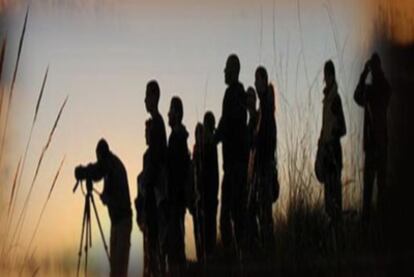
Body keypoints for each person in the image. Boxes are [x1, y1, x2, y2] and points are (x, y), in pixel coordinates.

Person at [75, 139, 132, 277]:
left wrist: (108, 199)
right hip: (117, 222)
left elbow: (97, 172)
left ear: (102, 155)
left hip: (122, 221)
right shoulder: (111, 164)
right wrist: (106, 196)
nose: (98, 161)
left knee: (119, 269)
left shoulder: (112, 165)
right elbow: (99, 172)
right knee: (115, 268)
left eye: (99, 158)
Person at [215, 54, 249, 255]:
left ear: (234, 70)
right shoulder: (238, 95)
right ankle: (238, 255)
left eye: (226, 68)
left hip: (235, 166)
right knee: (233, 215)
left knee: (230, 216)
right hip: (234, 165)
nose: (224, 71)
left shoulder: (233, 94)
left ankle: (235, 257)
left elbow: (226, 123)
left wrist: (213, 138)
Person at [354, 53, 391, 222]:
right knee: (373, 190)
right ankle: (372, 227)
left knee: (375, 190)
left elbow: (358, 96)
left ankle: (373, 227)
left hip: (377, 146)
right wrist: (366, 73)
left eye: (375, 66)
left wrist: (365, 73)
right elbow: (356, 97)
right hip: (378, 146)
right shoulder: (377, 89)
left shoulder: (380, 89)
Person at [143, 80, 168, 276]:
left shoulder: (158, 124)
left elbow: (159, 159)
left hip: (156, 195)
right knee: (153, 242)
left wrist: (147, 183)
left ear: (155, 97)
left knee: (155, 244)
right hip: (153, 194)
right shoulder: (157, 123)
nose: (145, 100)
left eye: (147, 95)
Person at [318, 60, 346, 225]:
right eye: (326, 74)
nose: (326, 77)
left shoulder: (335, 99)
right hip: (327, 155)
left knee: (334, 203)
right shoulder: (327, 99)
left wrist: (330, 139)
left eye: (328, 74)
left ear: (332, 76)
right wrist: (321, 142)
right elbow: (325, 127)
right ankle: (334, 242)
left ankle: (339, 241)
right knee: (329, 204)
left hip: (333, 154)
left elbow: (343, 128)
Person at [253, 67, 278, 253]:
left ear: (263, 80)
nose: (255, 83)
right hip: (264, 166)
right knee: (263, 211)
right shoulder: (264, 106)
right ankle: (267, 248)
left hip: (265, 167)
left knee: (265, 212)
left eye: (257, 79)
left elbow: (267, 139)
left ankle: (268, 250)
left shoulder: (266, 107)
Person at [166, 96, 190, 274]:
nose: (168, 114)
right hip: (176, 197)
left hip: (176, 197)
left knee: (175, 242)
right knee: (176, 240)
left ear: (177, 113)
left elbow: (177, 170)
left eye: (171, 110)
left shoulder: (177, 137)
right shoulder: (177, 136)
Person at [135, 119, 152, 277]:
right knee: (147, 256)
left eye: (147, 132)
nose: (145, 135)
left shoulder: (154, 155)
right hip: (146, 216)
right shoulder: (146, 156)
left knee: (152, 255)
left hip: (152, 215)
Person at [202, 111, 219, 257]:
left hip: (209, 198)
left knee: (208, 232)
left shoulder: (209, 147)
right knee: (208, 231)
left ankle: (211, 260)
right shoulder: (210, 147)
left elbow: (210, 175)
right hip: (209, 197)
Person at [245, 87, 260, 251]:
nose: (248, 100)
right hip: (250, 175)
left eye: (250, 97)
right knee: (250, 215)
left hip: (258, 174)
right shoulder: (249, 122)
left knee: (258, 214)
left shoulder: (257, 119)